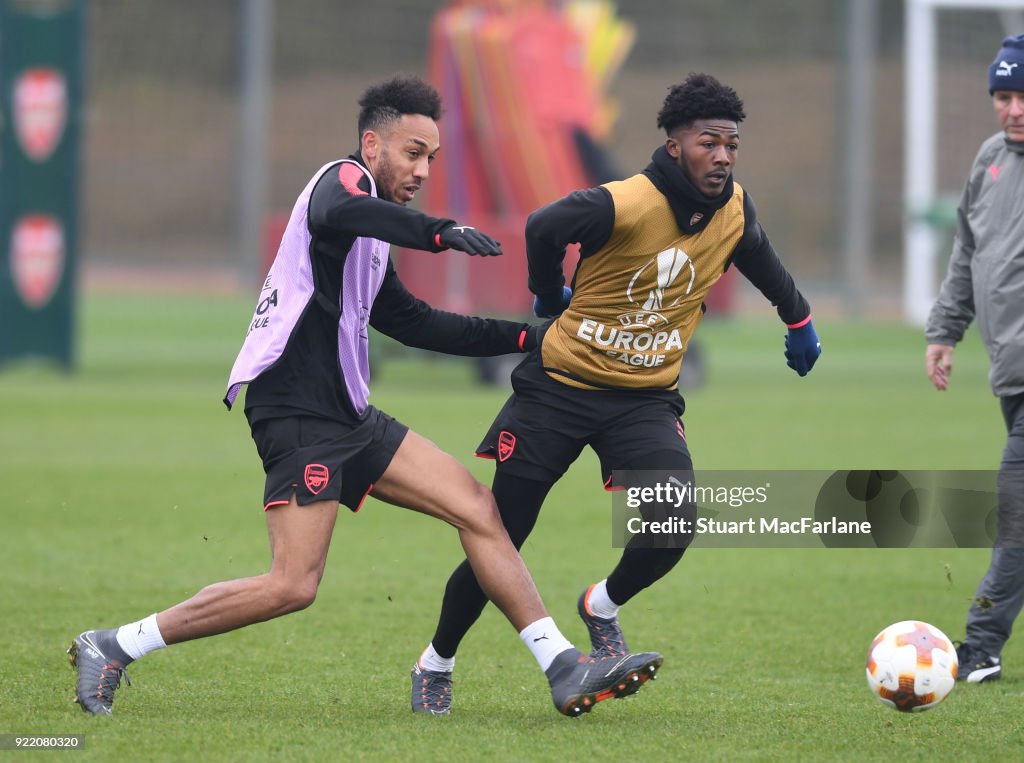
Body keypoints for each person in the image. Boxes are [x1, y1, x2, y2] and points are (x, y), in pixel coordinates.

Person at [67, 74, 662, 718]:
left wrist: (529, 335)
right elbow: (341, 211)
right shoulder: (339, 183)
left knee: (477, 508)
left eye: (431, 156)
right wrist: (435, 231)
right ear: (371, 145)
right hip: (298, 413)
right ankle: (115, 644)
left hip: (351, 414)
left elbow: (414, 322)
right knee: (292, 585)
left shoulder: (373, 237)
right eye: (412, 152)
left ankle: (561, 664)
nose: (423, 169)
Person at [411, 72, 821, 714]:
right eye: (709, 142)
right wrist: (547, 294)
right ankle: (437, 660)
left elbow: (759, 254)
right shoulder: (623, 202)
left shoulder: (735, 207)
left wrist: (797, 318)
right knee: (503, 536)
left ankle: (600, 605)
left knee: (674, 518)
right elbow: (544, 224)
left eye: (732, 145)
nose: (722, 156)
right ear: (675, 143)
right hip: (559, 388)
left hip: (643, 399)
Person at [925, 34, 1024, 684]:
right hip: (1011, 373)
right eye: (1003, 96)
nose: (1013, 109)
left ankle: (980, 645)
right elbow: (967, 253)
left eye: (1023, 97)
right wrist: (945, 329)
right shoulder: (990, 159)